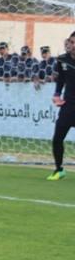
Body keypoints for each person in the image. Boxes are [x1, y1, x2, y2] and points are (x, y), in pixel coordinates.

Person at [47, 34, 75, 181]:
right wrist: (57, 94)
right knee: (57, 138)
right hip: (68, 106)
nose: (72, 45)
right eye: (71, 42)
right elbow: (61, 80)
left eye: (74, 42)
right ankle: (59, 170)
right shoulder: (62, 60)